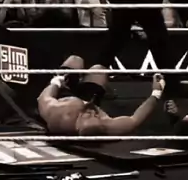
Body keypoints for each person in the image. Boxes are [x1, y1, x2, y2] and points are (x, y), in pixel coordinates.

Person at [37, 54, 166, 135]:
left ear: (78, 123)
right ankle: (92, 84)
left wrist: (57, 81)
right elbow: (135, 119)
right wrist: (157, 92)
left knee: (75, 60)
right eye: (96, 116)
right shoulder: (107, 125)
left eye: (88, 116)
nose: (93, 112)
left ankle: (72, 79)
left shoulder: (60, 116)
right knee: (99, 69)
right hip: (89, 98)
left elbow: (43, 98)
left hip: (64, 94)